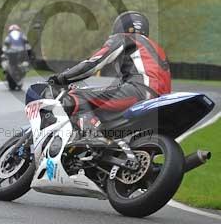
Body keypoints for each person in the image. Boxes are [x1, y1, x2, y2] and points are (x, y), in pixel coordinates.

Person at [48, 11, 171, 140]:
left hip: (140, 91)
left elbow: (94, 63)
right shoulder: (156, 47)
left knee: (76, 95)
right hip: (161, 98)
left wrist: (62, 77)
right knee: (102, 104)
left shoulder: (125, 38)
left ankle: (93, 138)